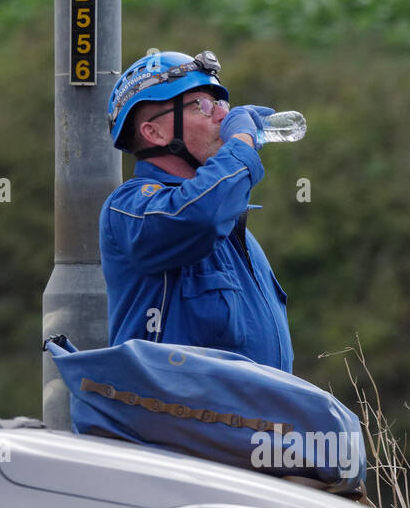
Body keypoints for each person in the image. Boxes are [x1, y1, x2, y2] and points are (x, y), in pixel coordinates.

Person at [101, 49, 293, 373]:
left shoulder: (232, 229)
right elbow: (199, 216)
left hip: (253, 421)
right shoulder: (131, 208)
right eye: (201, 106)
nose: (222, 117)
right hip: (173, 423)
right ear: (154, 132)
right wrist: (242, 143)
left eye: (220, 105)